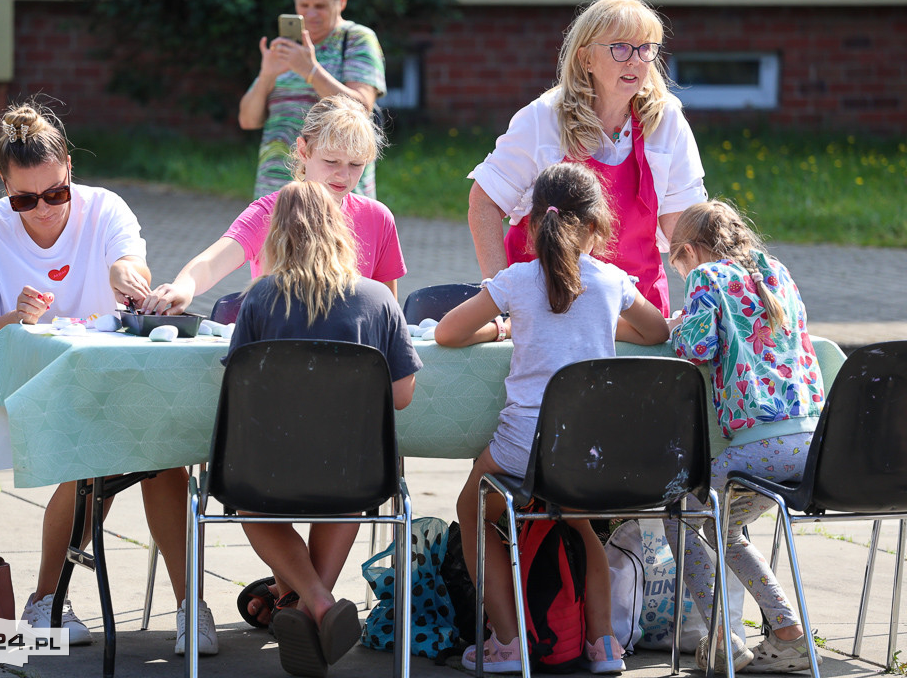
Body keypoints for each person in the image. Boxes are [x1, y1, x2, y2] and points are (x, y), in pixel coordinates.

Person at [0, 100, 218, 656]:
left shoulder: (105, 207)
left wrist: (125, 274)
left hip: (101, 381)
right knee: (111, 446)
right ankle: (50, 600)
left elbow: (127, 262)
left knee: (159, 451)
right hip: (20, 387)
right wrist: (14, 318)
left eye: (55, 193)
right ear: (4, 184)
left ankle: (185, 604)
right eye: (24, 199)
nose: (42, 209)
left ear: (69, 167)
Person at [435, 162, 670, 674]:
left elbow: (446, 334)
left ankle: (506, 641)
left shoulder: (517, 280)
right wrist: (606, 327)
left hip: (523, 445)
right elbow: (656, 333)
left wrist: (502, 329)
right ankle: (604, 645)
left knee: (474, 511)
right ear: (596, 224)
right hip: (589, 449)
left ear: (536, 222)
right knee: (581, 525)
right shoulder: (612, 280)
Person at [226, 179, 422, 677]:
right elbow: (402, 397)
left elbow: (238, 386)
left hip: (267, 468)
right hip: (351, 472)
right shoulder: (379, 299)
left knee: (251, 505)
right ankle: (315, 604)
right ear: (341, 231)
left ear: (277, 236)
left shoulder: (258, 298)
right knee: (348, 493)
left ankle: (307, 602)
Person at [467, 0, 707, 317]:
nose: (636, 60)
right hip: (547, 309)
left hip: (637, 312)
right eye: (621, 47)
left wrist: (710, 297)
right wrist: (500, 300)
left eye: (646, 48)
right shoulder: (543, 119)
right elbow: (485, 202)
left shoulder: (666, 122)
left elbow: (684, 228)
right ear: (586, 59)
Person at [664, 200, 826, 674]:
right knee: (726, 528)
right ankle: (789, 633)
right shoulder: (776, 271)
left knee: (683, 514)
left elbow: (696, 348)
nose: (681, 273)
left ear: (690, 250)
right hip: (813, 442)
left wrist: (678, 324)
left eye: (678, 264)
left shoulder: (706, 277)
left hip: (761, 446)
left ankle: (721, 638)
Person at [142, 94, 405, 315]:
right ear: (304, 151)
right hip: (282, 347)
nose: (344, 175)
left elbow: (386, 309)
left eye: (356, 164)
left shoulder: (378, 217)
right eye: (332, 161)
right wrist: (183, 287)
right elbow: (212, 263)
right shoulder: (271, 212)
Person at [239, 0, 386, 199]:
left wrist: (311, 71)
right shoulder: (290, 47)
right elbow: (247, 120)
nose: (311, 14)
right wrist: (266, 76)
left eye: (320, 6)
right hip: (276, 194)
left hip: (336, 195)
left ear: (342, 0)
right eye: (304, 5)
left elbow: (361, 108)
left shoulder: (357, 39)